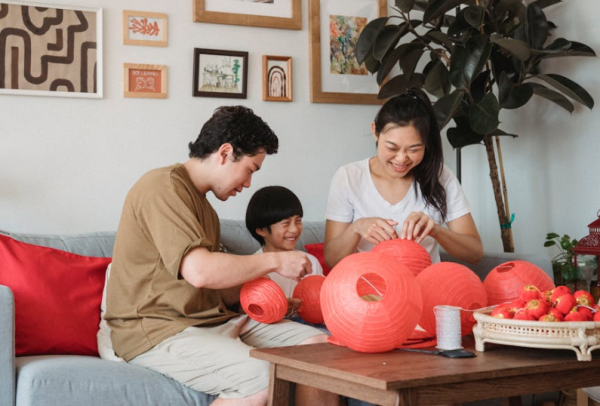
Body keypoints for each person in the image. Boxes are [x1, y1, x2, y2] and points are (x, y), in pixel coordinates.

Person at [105, 106, 338, 406]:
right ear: (226, 153)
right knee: (264, 375)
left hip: (208, 321)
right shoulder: (162, 187)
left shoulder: (206, 210)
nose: (248, 183)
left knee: (322, 349)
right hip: (157, 329)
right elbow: (200, 272)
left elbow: (215, 285)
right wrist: (277, 260)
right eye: (251, 169)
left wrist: (271, 304)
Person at [324, 88, 483, 269]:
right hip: (371, 290)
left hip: (426, 289)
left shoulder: (440, 176)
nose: (401, 159)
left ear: (426, 144)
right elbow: (331, 259)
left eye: (414, 149)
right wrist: (356, 228)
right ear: (375, 131)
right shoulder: (348, 177)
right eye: (392, 148)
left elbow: (475, 252)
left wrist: (436, 231)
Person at [245, 185, 324, 298]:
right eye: (286, 223)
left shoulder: (310, 262)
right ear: (261, 230)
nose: (295, 229)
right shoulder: (252, 268)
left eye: (298, 221)